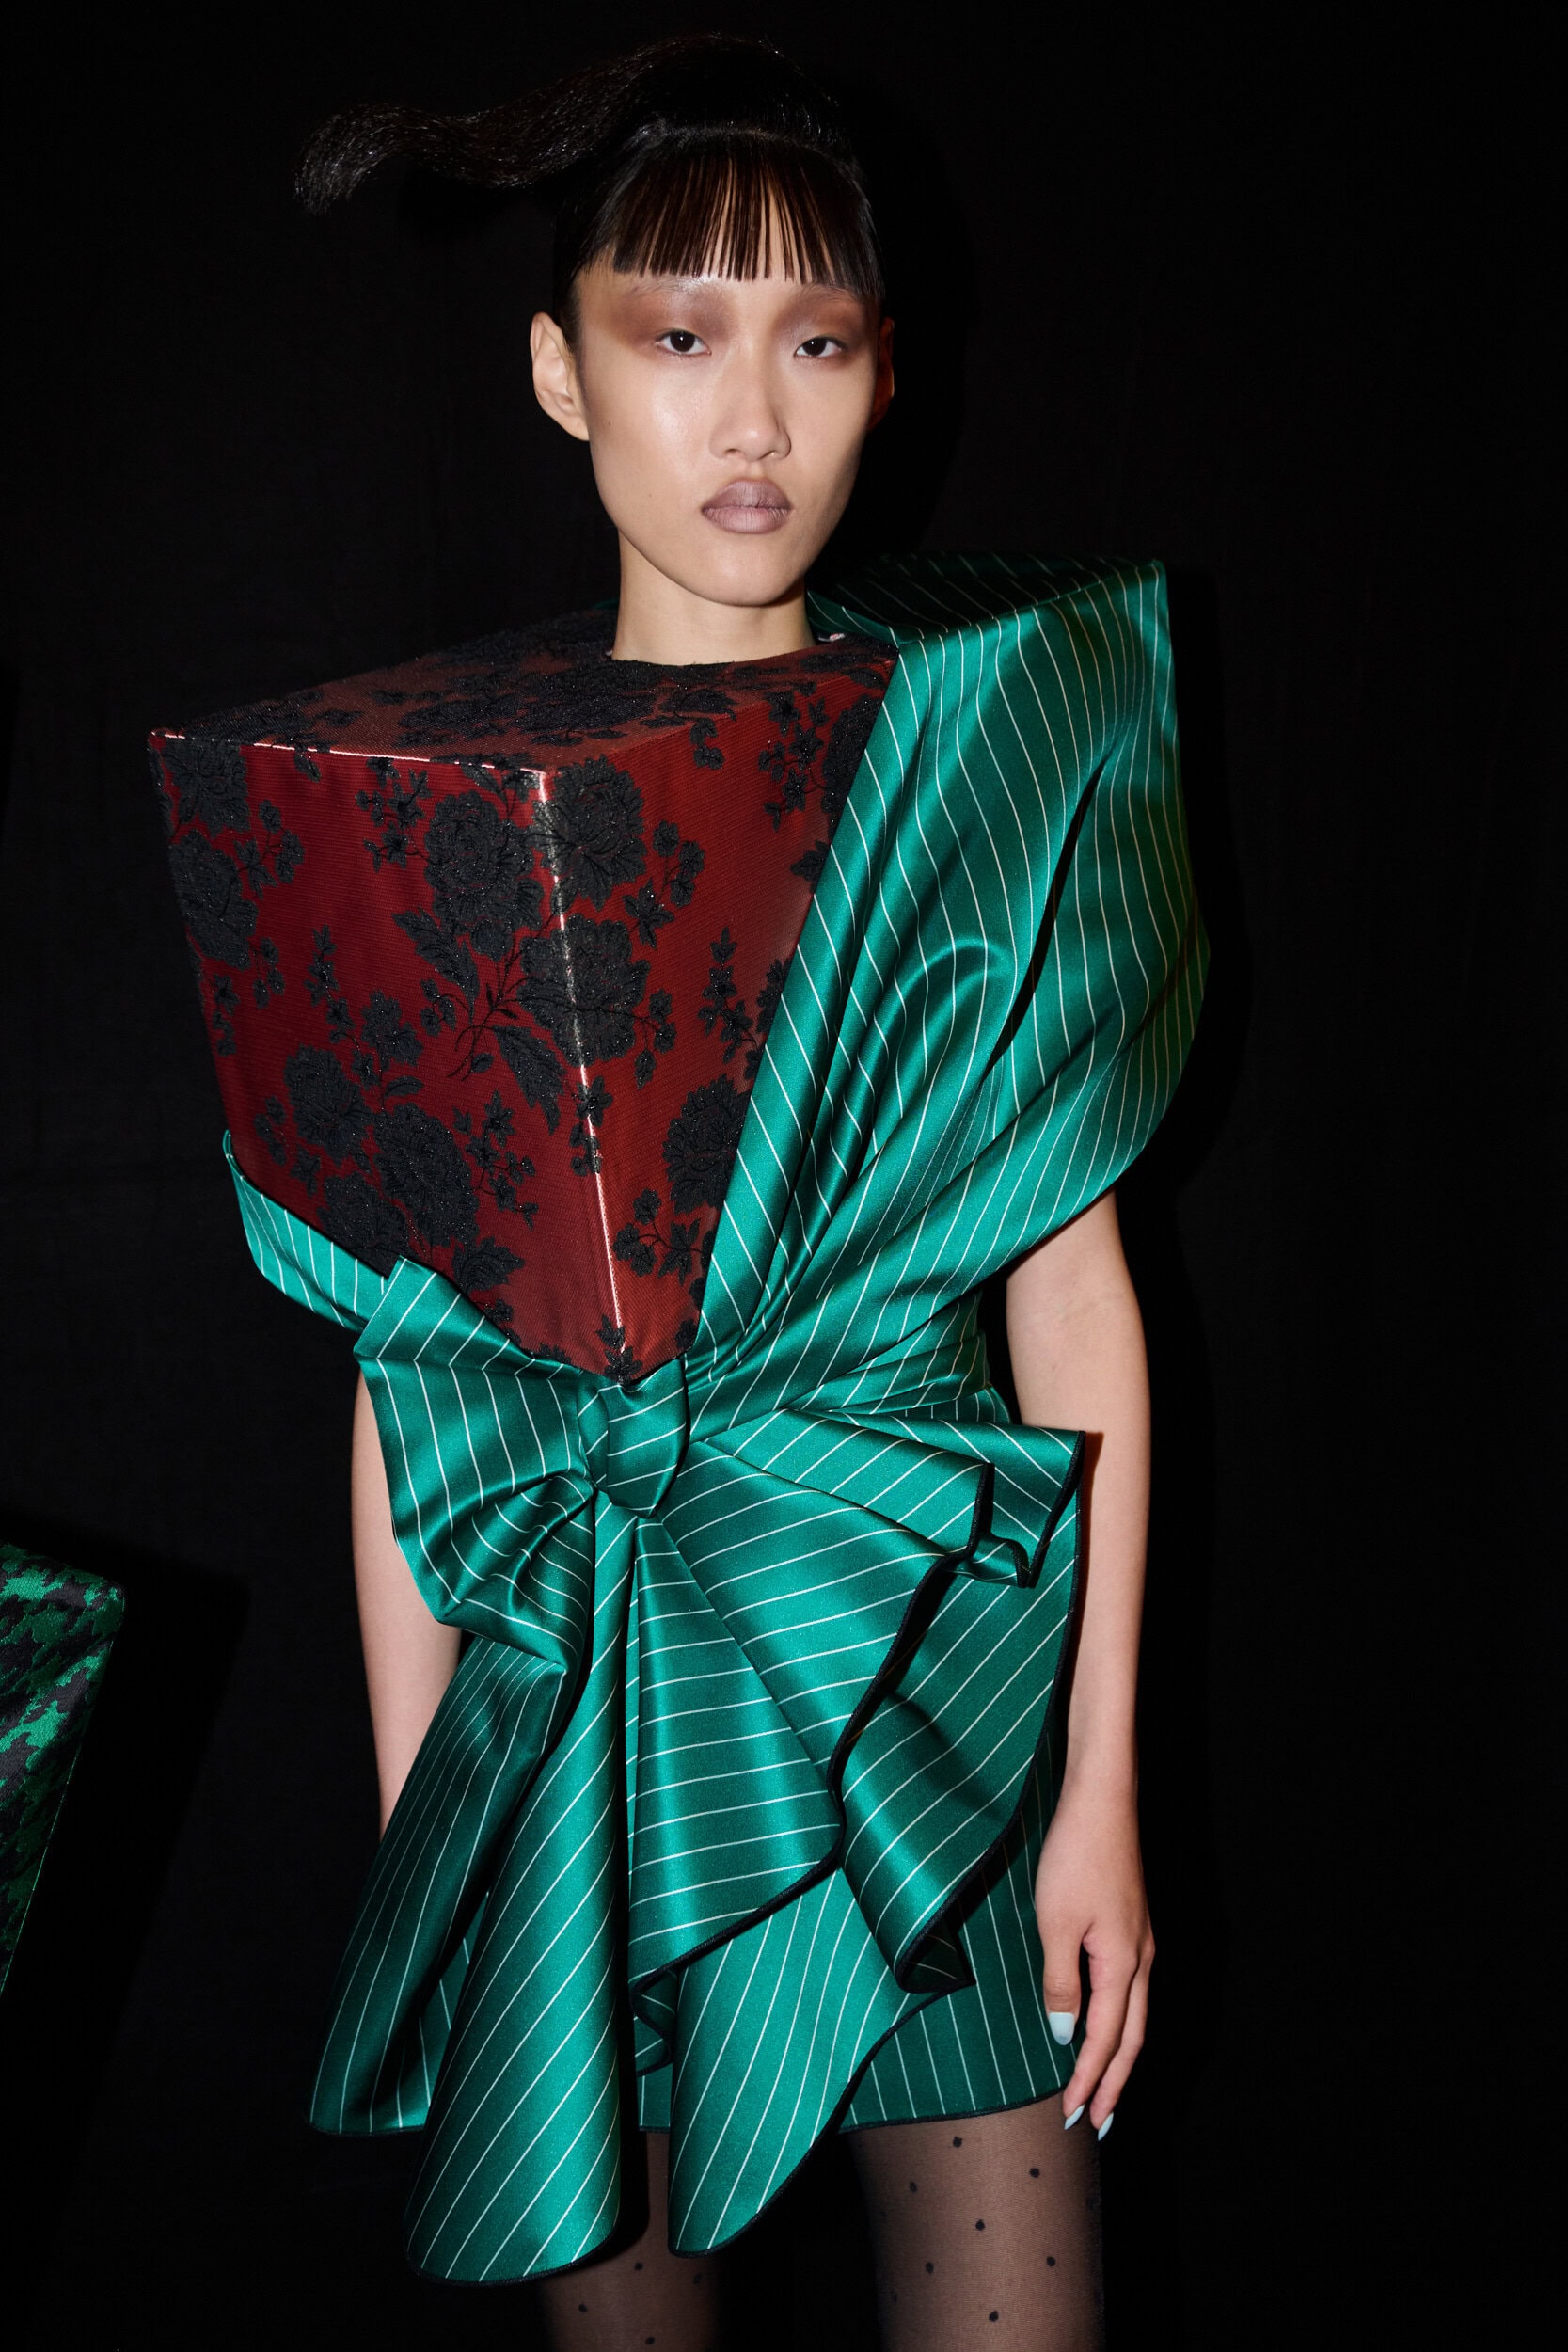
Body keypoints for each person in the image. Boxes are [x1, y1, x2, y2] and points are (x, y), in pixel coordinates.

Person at [155, 34, 1205, 2348]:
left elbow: (1076, 1297)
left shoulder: (989, 746)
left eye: (814, 343)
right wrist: (435, 1833)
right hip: (584, 1757)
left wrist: (1102, 1787)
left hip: (937, 1707)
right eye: (679, 334)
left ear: (888, 371)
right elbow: (412, 1380)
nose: (751, 416)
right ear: (561, 370)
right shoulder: (430, 817)